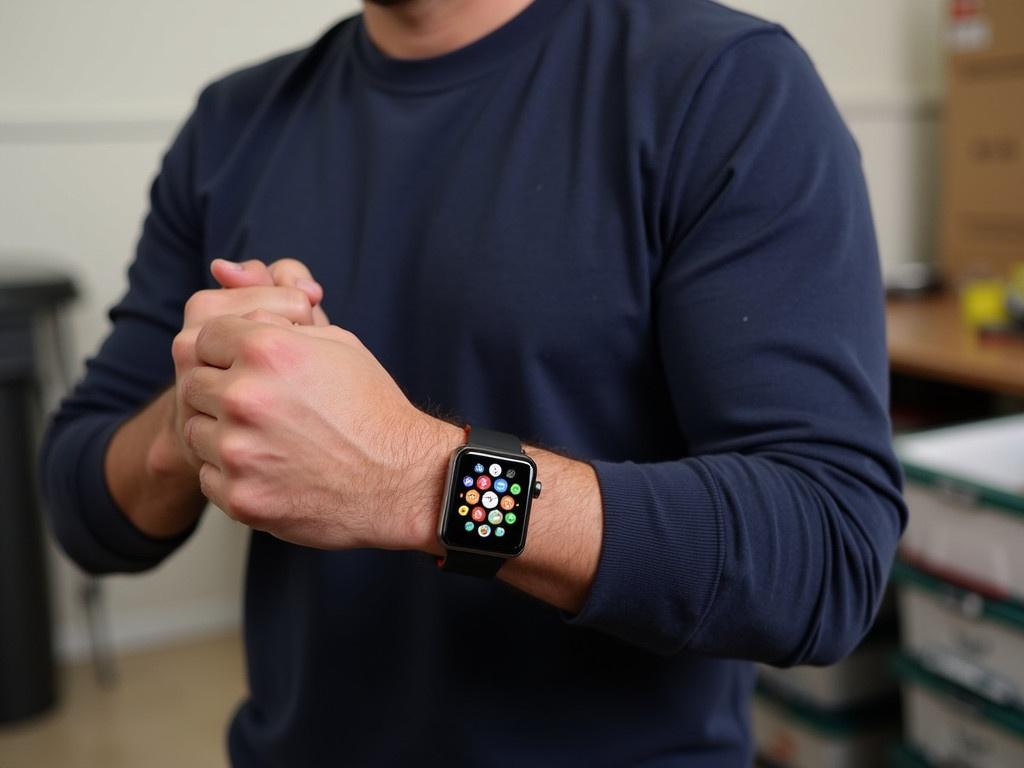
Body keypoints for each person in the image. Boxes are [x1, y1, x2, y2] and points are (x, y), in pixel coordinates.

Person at [41, 0, 906, 765]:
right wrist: (195, 409)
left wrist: (417, 481)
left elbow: (824, 554)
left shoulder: (725, 85)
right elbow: (84, 509)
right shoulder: (233, 122)